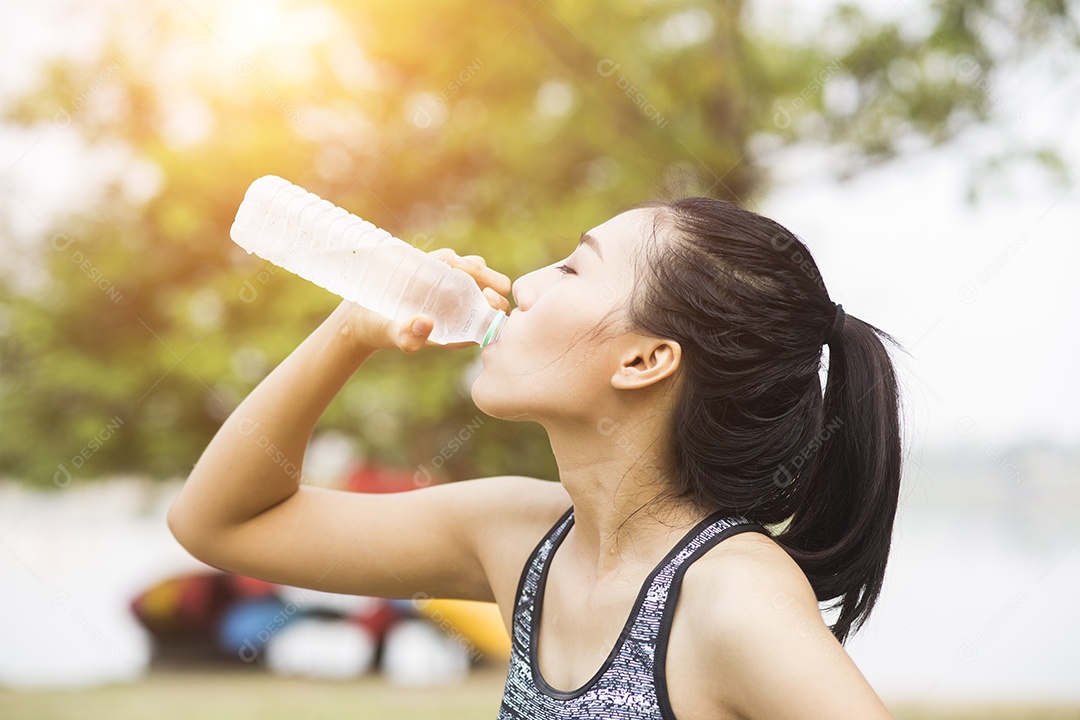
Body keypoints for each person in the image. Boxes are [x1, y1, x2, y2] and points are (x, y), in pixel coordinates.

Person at [168, 196, 903, 719]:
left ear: (645, 358)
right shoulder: (521, 538)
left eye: (573, 270)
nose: (523, 284)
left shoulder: (732, 598)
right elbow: (221, 524)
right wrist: (347, 332)